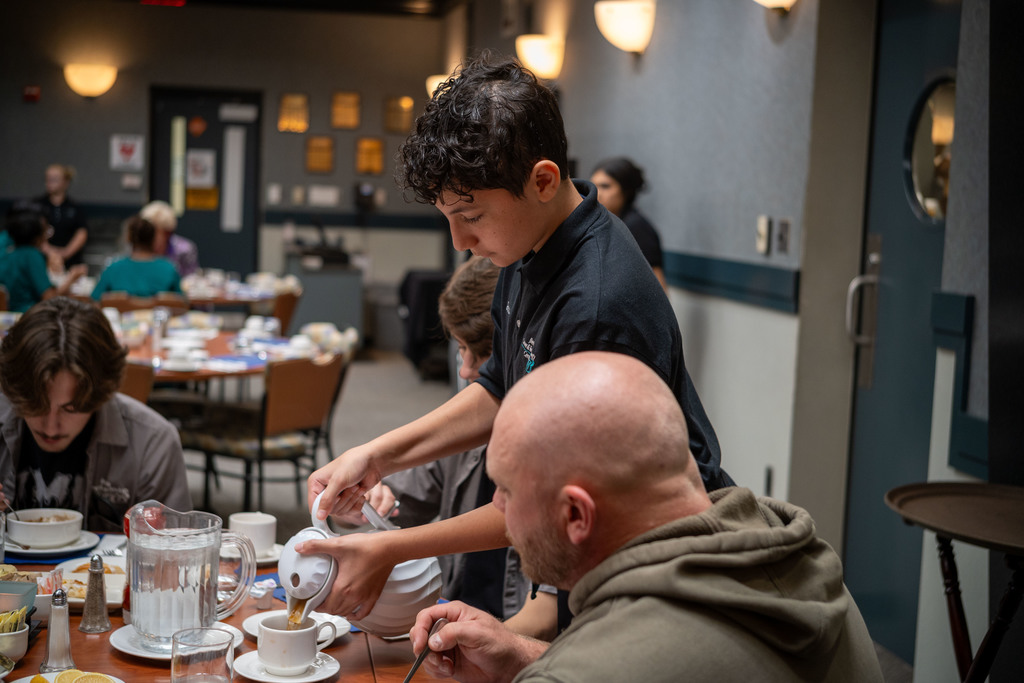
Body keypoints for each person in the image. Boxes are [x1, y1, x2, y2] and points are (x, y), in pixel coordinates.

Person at [299, 54, 732, 622]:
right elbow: (501, 387)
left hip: (653, 563)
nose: (458, 241)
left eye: (471, 215)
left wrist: (390, 547)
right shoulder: (529, 245)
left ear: (544, 180)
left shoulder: (596, 306)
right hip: (591, 540)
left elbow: (548, 504)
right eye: (446, 217)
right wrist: (377, 455)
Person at [409, 352, 884, 683]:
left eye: (506, 491)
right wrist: (522, 657)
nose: (497, 509)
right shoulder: (798, 563)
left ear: (576, 514)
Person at [377, 256, 557, 638]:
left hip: (511, 637)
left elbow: (546, 617)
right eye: (461, 349)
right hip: (456, 615)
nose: (467, 370)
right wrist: (377, 495)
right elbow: (410, 494)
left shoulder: (555, 449)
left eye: (487, 356)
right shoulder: (466, 431)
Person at [0, 297, 192, 531]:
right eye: (34, 406)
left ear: (102, 396)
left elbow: (176, 554)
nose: (50, 427)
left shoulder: (152, 442)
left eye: (70, 409)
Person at [590, 157, 667, 291]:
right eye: (594, 186)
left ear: (626, 190)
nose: (597, 193)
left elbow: (658, 287)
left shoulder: (637, 227)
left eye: (605, 186)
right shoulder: (607, 223)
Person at [0, 206, 86, 313]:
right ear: (36, 234)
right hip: (30, 314)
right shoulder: (31, 255)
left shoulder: (9, 252)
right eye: (45, 230)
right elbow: (50, 298)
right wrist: (71, 278)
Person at [91, 215, 182, 300]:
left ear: (128, 238)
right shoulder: (169, 269)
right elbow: (181, 303)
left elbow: (95, 300)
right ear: (153, 238)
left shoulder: (113, 268)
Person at [36, 164, 88, 269]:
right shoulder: (37, 205)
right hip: (43, 260)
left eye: (54, 179)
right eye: (47, 179)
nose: (49, 183)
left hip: (70, 262)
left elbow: (82, 232)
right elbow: (31, 231)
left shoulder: (74, 207)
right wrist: (49, 251)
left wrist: (66, 253)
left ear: (66, 182)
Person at [140, 200, 199, 277]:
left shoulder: (184, 250)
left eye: (152, 232)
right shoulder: (138, 248)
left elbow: (191, 281)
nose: (147, 237)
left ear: (167, 233)